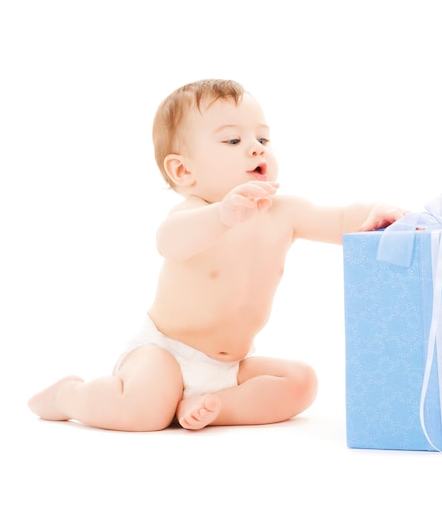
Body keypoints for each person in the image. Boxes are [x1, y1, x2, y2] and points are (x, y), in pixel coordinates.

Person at [28, 79, 408, 432]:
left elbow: (340, 219)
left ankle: (212, 406)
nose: (256, 147)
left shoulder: (284, 211)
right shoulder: (194, 213)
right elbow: (169, 242)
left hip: (229, 366)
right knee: (145, 409)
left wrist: (375, 212)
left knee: (301, 383)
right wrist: (222, 215)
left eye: (262, 137)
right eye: (232, 141)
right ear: (183, 170)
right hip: (164, 351)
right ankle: (70, 395)